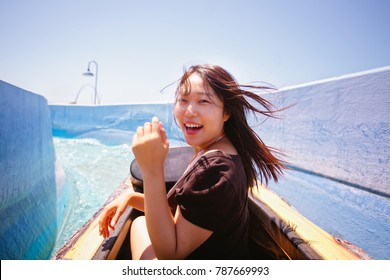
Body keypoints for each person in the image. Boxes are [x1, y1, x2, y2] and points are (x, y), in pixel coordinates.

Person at [99, 64, 286, 259]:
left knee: (139, 225)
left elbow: (170, 255)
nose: (189, 111)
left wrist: (152, 170)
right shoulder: (215, 152)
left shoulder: (216, 171)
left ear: (226, 112)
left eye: (203, 101)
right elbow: (181, 214)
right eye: (183, 99)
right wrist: (130, 198)